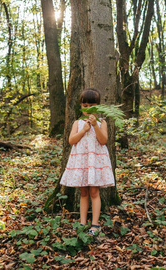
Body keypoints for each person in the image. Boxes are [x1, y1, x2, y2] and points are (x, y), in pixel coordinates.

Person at [60, 88, 115, 236]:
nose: (88, 108)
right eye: (85, 106)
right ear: (81, 106)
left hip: (95, 162)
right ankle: (82, 222)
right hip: (81, 161)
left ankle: (95, 224)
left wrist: (95, 125)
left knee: (94, 192)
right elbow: (71, 141)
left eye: (92, 105)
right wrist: (84, 129)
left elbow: (103, 141)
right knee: (83, 192)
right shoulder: (77, 123)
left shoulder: (102, 122)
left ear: (98, 106)